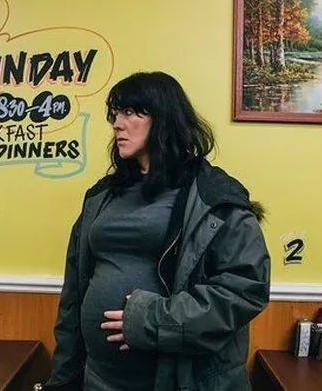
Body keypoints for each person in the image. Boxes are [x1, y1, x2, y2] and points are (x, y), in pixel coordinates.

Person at [35, 71, 270, 391]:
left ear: (165, 119)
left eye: (131, 112)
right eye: (115, 114)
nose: (117, 124)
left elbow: (244, 290)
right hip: (98, 379)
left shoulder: (214, 198)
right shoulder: (100, 197)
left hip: (181, 382)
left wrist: (150, 320)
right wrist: (63, 377)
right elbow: (73, 298)